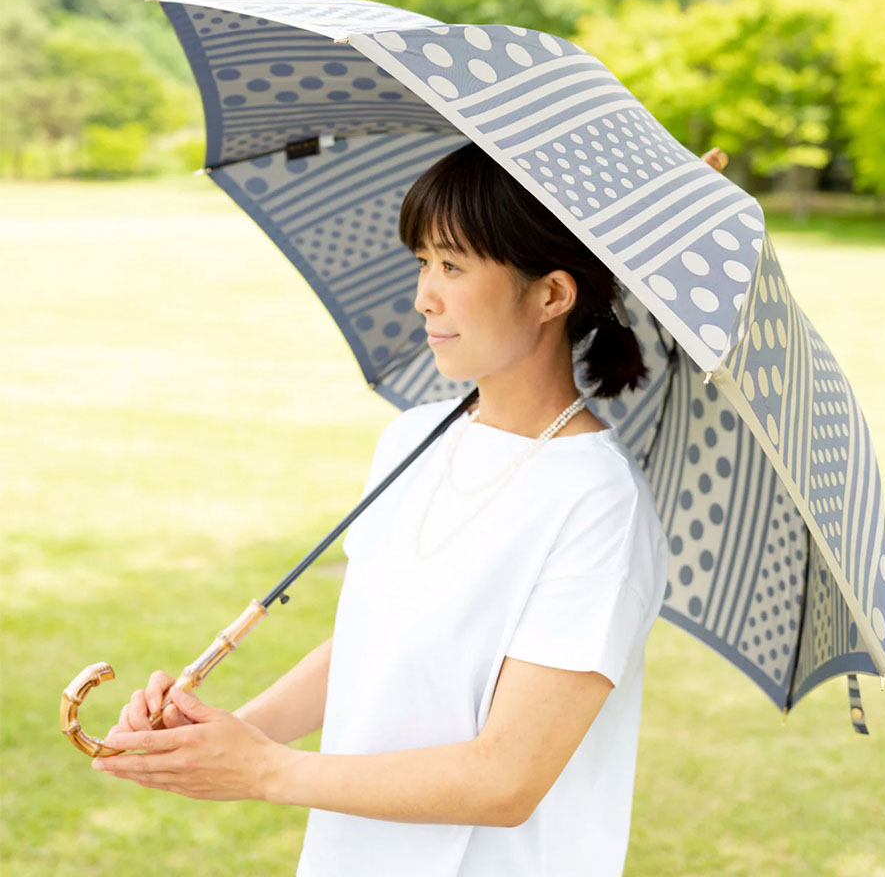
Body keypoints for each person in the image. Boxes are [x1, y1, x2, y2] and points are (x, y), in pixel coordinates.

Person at [95, 140, 671, 876]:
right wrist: (218, 736)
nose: (424, 295)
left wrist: (264, 771)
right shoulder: (413, 438)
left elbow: (506, 780)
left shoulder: (598, 503)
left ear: (552, 295)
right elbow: (374, 640)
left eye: (453, 266)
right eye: (423, 262)